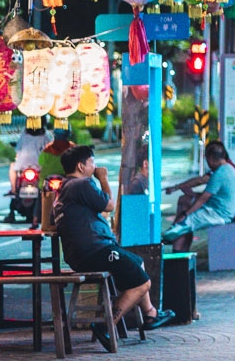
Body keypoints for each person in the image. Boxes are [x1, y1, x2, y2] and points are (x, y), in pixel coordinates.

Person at [56, 146, 174, 344]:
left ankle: (151, 314)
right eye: (92, 162)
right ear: (81, 165)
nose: (95, 166)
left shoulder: (65, 187)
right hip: (96, 251)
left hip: (83, 253)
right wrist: (102, 178)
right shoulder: (81, 184)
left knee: (138, 263)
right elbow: (109, 204)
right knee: (143, 283)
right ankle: (105, 326)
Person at [162, 141, 235, 251]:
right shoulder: (228, 169)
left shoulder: (219, 174)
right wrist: (187, 192)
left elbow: (203, 198)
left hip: (219, 214)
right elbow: (216, 194)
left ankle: (174, 245)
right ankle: (180, 246)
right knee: (185, 201)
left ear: (210, 158)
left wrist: (185, 214)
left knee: (184, 222)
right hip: (222, 209)